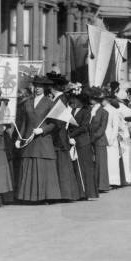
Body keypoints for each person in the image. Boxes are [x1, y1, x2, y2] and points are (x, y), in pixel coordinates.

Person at [16, 75, 60, 203]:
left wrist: (43, 130)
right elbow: (24, 122)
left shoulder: (50, 103)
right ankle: (29, 197)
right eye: (36, 86)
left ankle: (45, 196)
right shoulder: (28, 102)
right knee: (29, 165)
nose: (38, 89)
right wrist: (20, 138)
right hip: (29, 140)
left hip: (42, 139)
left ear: (45, 88)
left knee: (42, 166)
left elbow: (55, 123)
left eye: (40, 86)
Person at [47, 72, 82, 201]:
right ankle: (66, 193)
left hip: (59, 135)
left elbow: (58, 120)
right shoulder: (61, 98)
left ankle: (67, 193)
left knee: (62, 164)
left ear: (52, 87)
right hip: (60, 133)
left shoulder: (60, 99)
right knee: (63, 164)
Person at [67, 87, 97, 199]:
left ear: (81, 101)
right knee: (76, 166)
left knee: (85, 167)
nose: (74, 101)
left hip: (83, 141)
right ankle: (79, 192)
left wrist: (71, 134)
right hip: (73, 141)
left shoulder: (86, 112)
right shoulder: (72, 110)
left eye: (76, 100)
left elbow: (84, 127)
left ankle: (88, 193)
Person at [88, 88, 110, 193]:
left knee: (100, 163)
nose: (90, 100)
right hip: (90, 138)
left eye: (92, 99)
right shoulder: (89, 110)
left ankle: (102, 185)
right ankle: (94, 184)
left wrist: (92, 138)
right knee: (92, 162)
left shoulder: (104, 112)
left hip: (99, 140)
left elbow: (102, 128)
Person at [101, 93, 124, 188]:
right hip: (104, 135)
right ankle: (108, 181)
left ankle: (114, 181)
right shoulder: (103, 109)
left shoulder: (113, 111)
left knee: (112, 160)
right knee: (107, 160)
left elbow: (115, 127)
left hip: (110, 136)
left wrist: (112, 139)